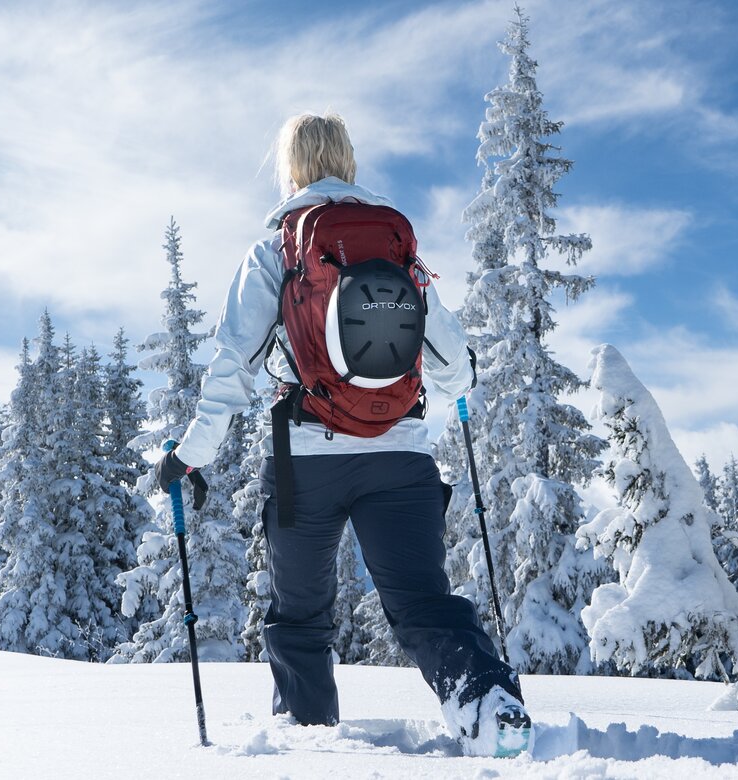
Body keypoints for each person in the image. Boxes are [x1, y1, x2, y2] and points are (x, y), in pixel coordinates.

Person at [153, 112, 528, 756]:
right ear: (348, 160)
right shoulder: (396, 247)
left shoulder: (274, 250)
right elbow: (455, 366)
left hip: (307, 462)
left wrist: (191, 456)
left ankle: (307, 747)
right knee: (422, 603)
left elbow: (232, 368)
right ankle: (489, 706)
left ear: (290, 166)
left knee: (301, 615)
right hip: (402, 457)